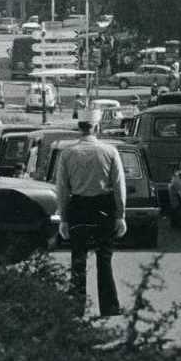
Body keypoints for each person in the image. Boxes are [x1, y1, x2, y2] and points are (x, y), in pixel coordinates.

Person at [54, 119, 127, 316]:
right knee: (104, 257)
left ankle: (77, 306)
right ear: (97, 128)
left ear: (80, 129)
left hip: (78, 206)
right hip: (103, 206)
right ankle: (109, 306)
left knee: (78, 257)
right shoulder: (110, 151)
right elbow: (119, 185)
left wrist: (63, 216)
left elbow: (61, 187)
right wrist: (121, 214)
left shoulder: (67, 153)